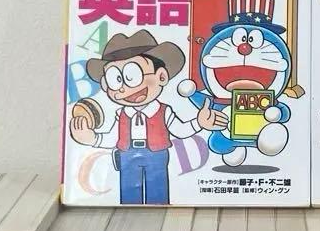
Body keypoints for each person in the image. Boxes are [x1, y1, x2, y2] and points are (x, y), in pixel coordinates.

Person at [70, 30, 224, 204]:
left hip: (157, 155)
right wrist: (92, 138)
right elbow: (113, 137)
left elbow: (179, 130)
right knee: (128, 194)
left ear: (161, 76)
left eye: (132, 76)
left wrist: (198, 123)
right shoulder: (121, 114)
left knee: (158, 192)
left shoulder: (163, 111)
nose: (123, 88)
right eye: (115, 79)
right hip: (126, 154)